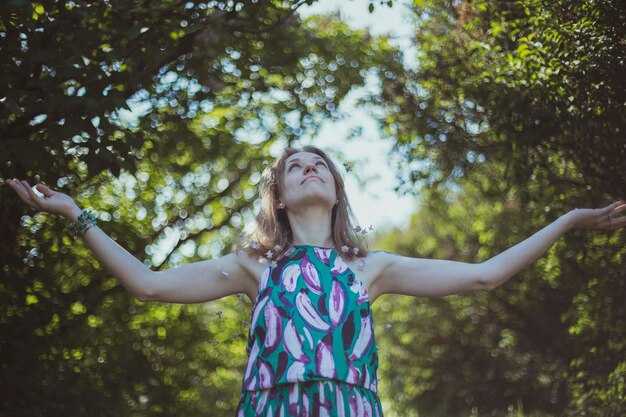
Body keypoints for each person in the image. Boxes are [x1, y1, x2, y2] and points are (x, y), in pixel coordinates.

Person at [6, 145, 625, 416]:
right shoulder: (255, 268)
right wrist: (74, 214)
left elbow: (487, 276)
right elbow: (146, 283)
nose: (307, 168)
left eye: (318, 164)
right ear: (280, 197)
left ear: (335, 192)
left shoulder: (370, 267)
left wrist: (566, 222)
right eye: (294, 166)